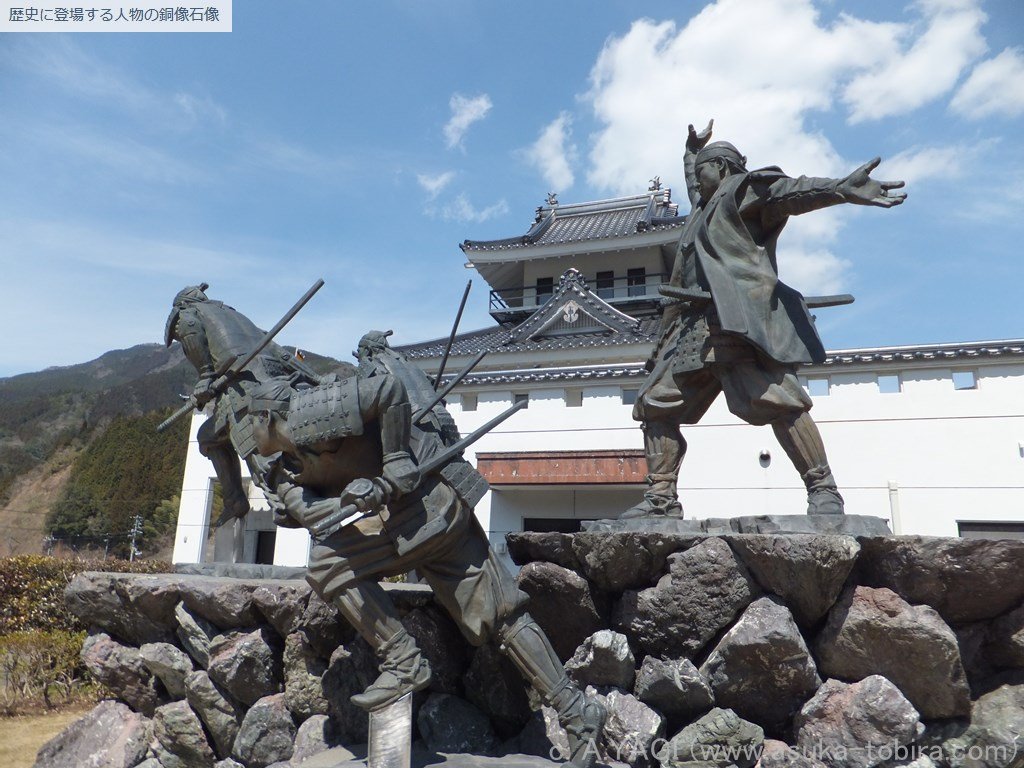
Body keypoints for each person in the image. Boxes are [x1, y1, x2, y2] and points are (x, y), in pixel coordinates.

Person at [246, 337, 605, 767]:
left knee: (330, 563)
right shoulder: (280, 469)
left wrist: (396, 461)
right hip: (416, 520)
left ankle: (403, 659)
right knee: (502, 615)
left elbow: (388, 390)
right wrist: (348, 498)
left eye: (250, 424)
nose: (248, 437)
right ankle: (576, 711)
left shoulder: (313, 412)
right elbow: (312, 513)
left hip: (429, 506)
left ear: (267, 416)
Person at [624, 120, 906, 519]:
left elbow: (789, 192)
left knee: (781, 400)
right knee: (655, 405)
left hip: (734, 321)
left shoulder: (741, 191)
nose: (696, 181)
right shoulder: (703, 206)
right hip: (691, 328)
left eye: (702, 170)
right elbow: (695, 184)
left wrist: (841, 188)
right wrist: (691, 153)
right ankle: (661, 498)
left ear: (722, 167)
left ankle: (823, 489)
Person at [164, 284, 320, 525]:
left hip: (242, 394)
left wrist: (205, 378)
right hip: (280, 383)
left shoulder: (187, 314)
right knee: (208, 435)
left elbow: (192, 337)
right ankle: (235, 500)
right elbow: (283, 355)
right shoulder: (238, 317)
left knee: (269, 468)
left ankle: (310, 512)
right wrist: (315, 378)